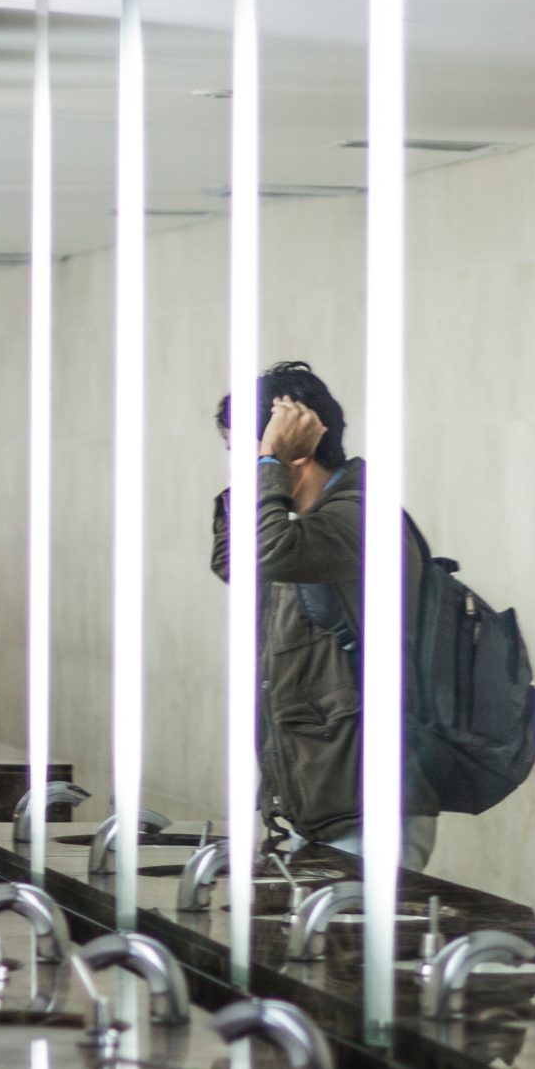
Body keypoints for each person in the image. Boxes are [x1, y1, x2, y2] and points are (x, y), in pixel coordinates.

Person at [210, 361, 436, 871]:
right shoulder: (303, 529)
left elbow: (262, 551)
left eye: (241, 453)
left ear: (294, 448)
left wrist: (270, 459)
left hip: (368, 809)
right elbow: (233, 563)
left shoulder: (360, 520)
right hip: (327, 805)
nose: (240, 470)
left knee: (347, 952)